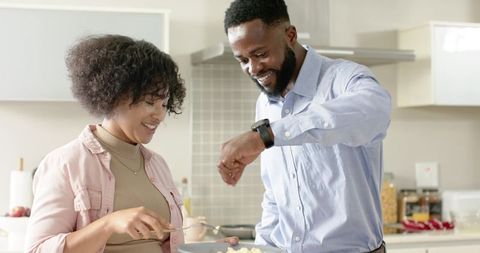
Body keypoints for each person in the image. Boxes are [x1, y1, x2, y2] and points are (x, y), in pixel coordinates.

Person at [24, 34, 237, 253]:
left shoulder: (158, 165)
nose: (160, 115)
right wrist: (109, 223)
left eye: (164, 104)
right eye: (149, 102)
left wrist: (210, 249)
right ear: (114, 94)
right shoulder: (66, 163)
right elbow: (37, 249)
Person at [217, 0, 392, 252]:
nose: (253, 68)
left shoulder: (345, 80)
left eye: (261, 54)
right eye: (242, 60)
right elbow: (276, 195)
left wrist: (264, 136)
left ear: (290, 36)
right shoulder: (265, 104)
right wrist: (260, 247)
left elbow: (375, 111)